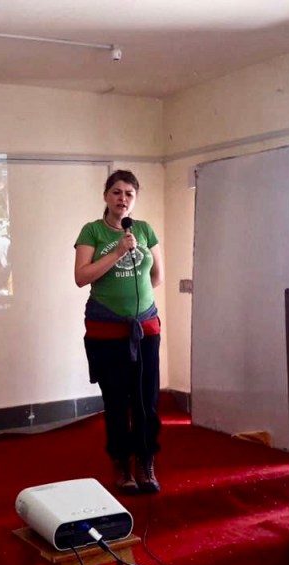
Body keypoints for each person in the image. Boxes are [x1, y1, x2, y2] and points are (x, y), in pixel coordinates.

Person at [73, 169, 164, 494]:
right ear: (106, 196)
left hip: (145, 328)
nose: (122, 199)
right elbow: (81, 277)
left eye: (129, 194)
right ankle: (122, 463)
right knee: (115, 401)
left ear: (134, 199)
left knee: (146, 400)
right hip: (106, 332)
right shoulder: (92, 231)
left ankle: (145, 460)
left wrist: (136, 304)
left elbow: (156, 277)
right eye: (116, 192)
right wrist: (116, 253)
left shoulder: (144, 229)